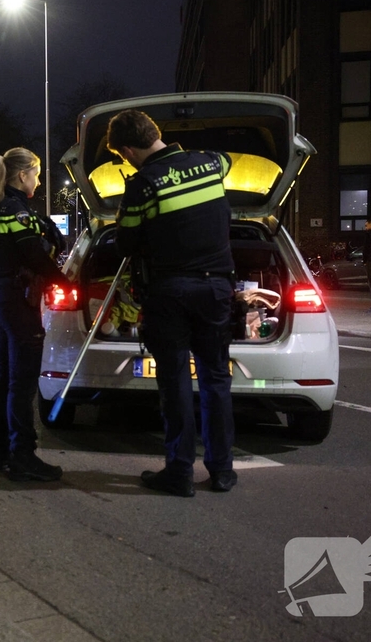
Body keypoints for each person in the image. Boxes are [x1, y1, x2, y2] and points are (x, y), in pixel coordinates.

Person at [106, 109, 237, 496]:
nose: (124, 160)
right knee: (216, 378)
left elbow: (125, 243)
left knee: (176, 380)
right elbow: (229, 163)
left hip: (170, 292)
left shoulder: (143, 184)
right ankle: (222, 470)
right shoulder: (212, 163)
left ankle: (180, 472)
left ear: (129, 149)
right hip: (216, 289)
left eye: (121, 155)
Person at [0, 147, 68, 482]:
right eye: (37, 173)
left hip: (0, 298)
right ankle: (23, 455)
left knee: (3, 379)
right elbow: (35, 256)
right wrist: (65, 281)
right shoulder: (16, 211)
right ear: (22, 175)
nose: (39, 179)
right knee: (22, 382)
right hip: (19, 302)